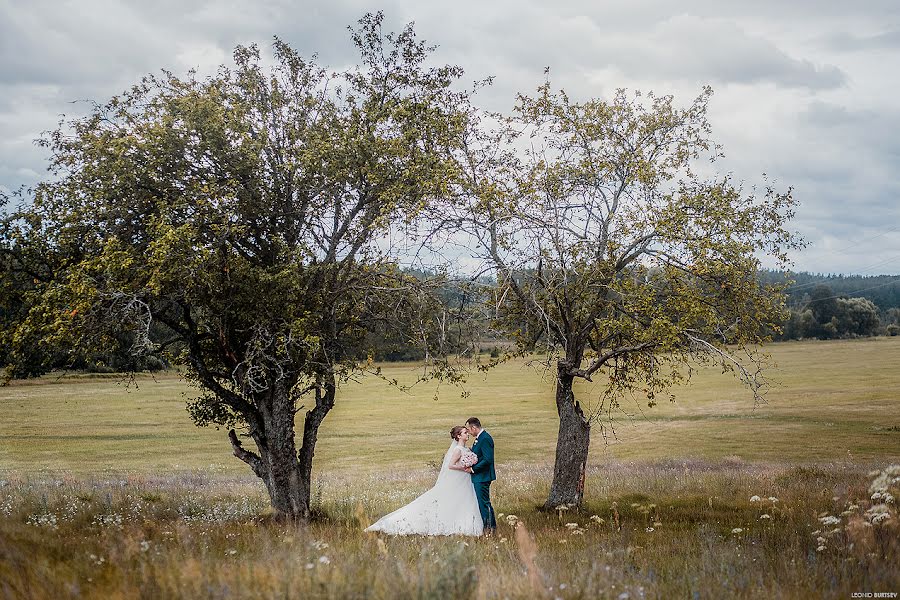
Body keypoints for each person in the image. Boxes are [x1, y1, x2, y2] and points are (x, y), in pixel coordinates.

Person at [365, 425, 483, 536]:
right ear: (458, 436)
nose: (467, 434)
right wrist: (465, 468)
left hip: (464, 480)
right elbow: (451, 465)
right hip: (460, 477)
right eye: (465, 433)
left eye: (467, 432)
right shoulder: (457, 450)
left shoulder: (465, 448)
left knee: (461, 501)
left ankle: (463, 523)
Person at [464, 416, 497, 534]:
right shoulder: (479, 438)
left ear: (474, 427)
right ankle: (489, 526)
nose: (468, 432)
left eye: (468, 429)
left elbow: (488, 459)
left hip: (483, 476)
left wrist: (473, 469)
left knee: (484, 503)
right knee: (483, 502)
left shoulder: (485, 438)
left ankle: (490, 528)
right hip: (479, 477)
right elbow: (479, 455)